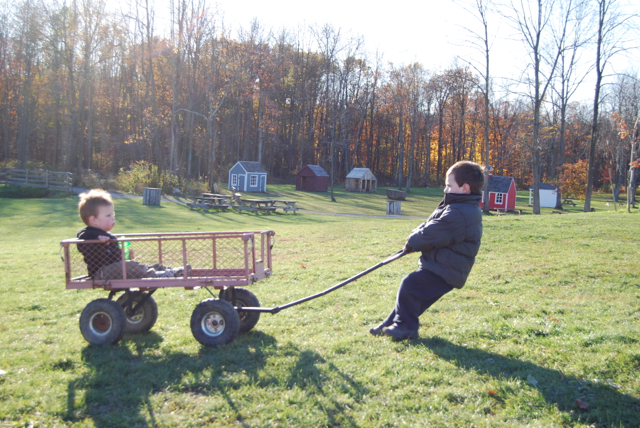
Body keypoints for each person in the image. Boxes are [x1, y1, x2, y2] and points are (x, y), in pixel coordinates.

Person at [370, 161, 485, 340]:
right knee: (412, 299)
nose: (445, 190)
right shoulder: (457, 207)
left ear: (465, 188)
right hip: (441, 266)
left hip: (446, 270)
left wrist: (412, 242)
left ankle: (407, 328)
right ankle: (390, 325)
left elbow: (431, 234)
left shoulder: (459, 213)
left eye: (449, 186)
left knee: (409, 285)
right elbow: (428, 225)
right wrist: (413, 240)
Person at [76, 189, 184, 280]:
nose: (113, 218)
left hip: (115, 270)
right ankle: (159, 276)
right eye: (108, 215)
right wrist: (97, 242)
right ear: (94, 220)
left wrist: (124, 256)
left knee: (138, 265)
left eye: (113, 214)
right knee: (130, 266)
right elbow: (85, 248)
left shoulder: (107, 235)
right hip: (102, 273)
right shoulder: (88, 235)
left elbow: (114, 257)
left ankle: (169, 271)